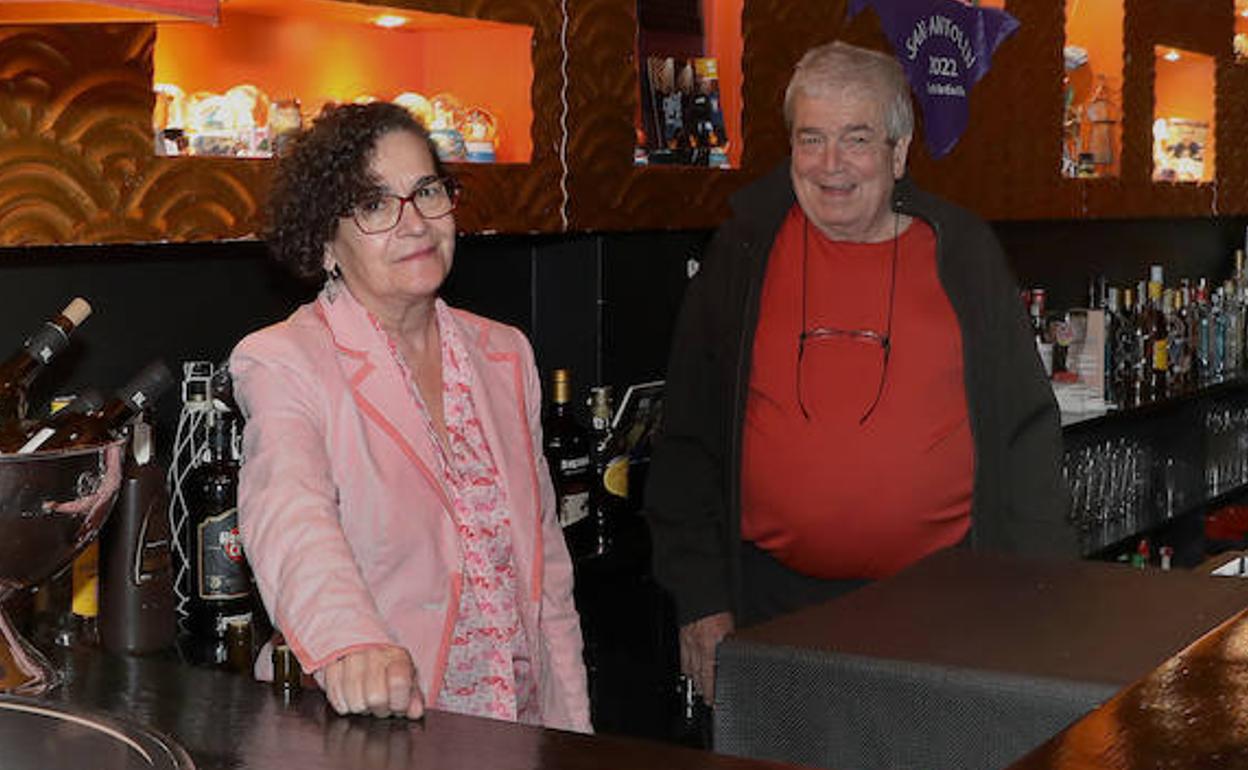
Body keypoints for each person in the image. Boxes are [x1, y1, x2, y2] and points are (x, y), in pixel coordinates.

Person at [645, 41, 1075, 703]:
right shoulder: (743, 250)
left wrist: (1035, 603)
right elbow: (687, 440)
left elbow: (1027, 437)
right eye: (810, 138)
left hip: (946, 612)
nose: (830, 165)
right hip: (771, 610)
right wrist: (700, 600)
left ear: (899, 152)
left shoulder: (962, 253)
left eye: (857, 138)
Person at [230, 102, 591, 731]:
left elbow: (547, 575)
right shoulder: (284, 361)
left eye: (427, 191)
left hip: (518, 729)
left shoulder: (504, 353)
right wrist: (350, 642)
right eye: (375, 205)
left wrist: (573, 730)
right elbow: (290, 515)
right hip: (382, 730)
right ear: (325, 241)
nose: (415, 223)